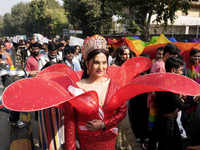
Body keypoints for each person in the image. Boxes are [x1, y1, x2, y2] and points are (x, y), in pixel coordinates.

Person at [64, 35, 127, 150]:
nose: (101, 67)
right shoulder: (74, 90)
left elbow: (122, 111)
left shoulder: (113, 84)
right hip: (87, 142)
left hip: (109, 139)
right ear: (87, 63)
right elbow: (69, 125)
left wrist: (104, 124)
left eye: (104, 62)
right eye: (96, 62)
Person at [156, 56, 200, 150]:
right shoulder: (169, 86)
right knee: (166, 146)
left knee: (176, 145)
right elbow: (183, 106)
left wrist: (178, 97)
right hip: (168, 123)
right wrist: (196, 100)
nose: (181, 72)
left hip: (168, 121)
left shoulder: (163, 80)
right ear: (173, 70)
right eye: (180, 70)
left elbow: (166, 99)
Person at [184, 49, 200, 122]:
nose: (197, 58)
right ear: (190, 56)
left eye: (198, 56)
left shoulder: (199, 67)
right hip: (188, 93)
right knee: (188, 110)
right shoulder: (185, 67)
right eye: (194, 56)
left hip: (198, 93)